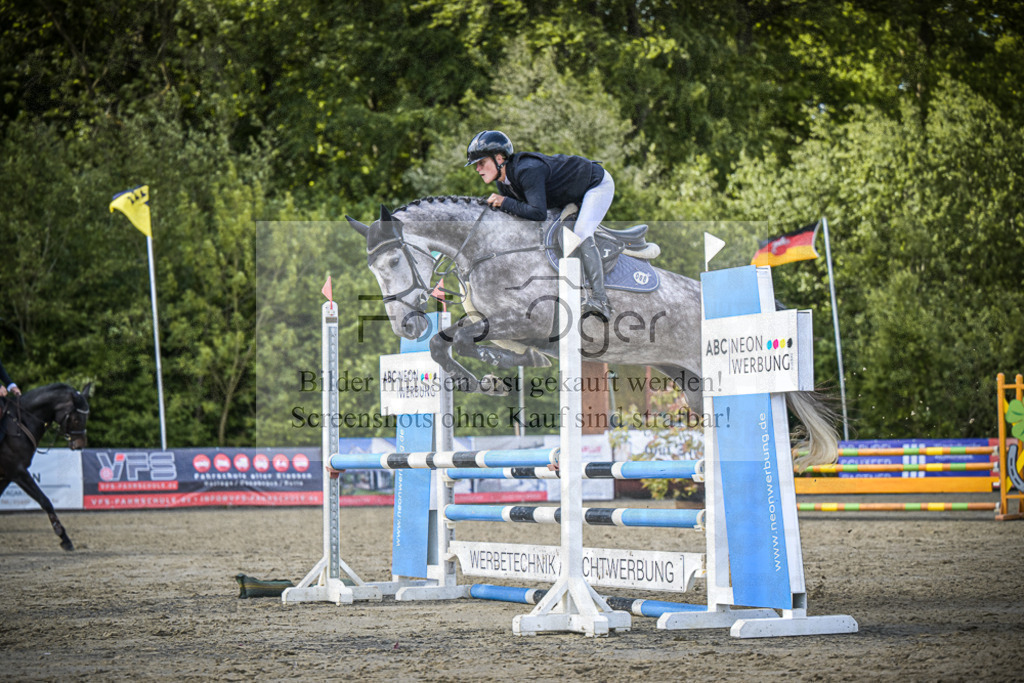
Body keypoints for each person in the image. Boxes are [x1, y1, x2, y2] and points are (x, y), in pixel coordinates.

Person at [465, 130, 614, 318]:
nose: (477, 169)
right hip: (567, 195)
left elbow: (537, 213)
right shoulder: (504, 183)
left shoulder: (527, 170)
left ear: (499, 158)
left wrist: (504, 202)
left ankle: (601, 300)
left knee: (582, 232)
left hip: (595, 185)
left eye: (481, 163)